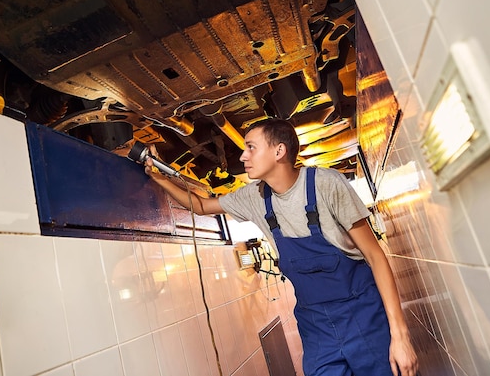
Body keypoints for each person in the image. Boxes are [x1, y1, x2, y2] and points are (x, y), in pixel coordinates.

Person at [144, 118, 418, 376]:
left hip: (363, 316)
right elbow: (202, 206)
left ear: (279, 151)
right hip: (316, 327)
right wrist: (161, 178)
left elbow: (375, 255)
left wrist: (400, 335)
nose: (242, 157)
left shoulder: (326, 184)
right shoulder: (254, 197)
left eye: (250, 147)